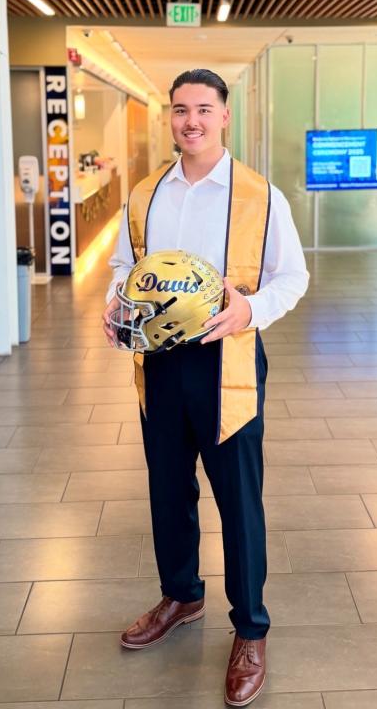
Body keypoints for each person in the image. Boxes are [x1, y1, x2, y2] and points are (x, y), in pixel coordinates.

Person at [102, 68, 308, 707]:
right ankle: (182, 594)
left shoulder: (260, 196)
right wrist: (114, 308)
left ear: (224, 116)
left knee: (239, 501)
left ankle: (250, 629)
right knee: (168, 490)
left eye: (203, 109)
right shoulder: (144, 195)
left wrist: (249, 310)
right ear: (170, 117)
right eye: (180, 110)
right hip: (159, 367)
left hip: (229, 367)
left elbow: (291, 277)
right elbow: (121, 267)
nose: (190, 120)